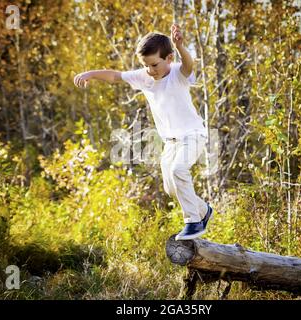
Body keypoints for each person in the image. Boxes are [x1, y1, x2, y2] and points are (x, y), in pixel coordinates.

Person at [73, 24, 213, 240]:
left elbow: (189, 64)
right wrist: (90, 73)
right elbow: (114, 76)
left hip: (193, 135)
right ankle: (204, 210)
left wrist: (180, 46)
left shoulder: (178, 73)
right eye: (146, 66)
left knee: (179, 170)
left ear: (168, 58)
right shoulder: (144, 76)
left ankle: (193, 222)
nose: (150, 70)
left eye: (155, 64)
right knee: (171, 189)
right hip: (171, 143)